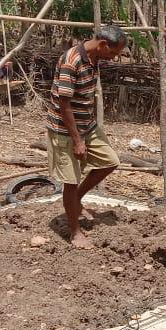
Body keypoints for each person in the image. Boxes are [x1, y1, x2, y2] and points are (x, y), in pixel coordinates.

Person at [45, 25, 127, 248]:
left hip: (87, 126)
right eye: (112, 53)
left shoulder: (94, 59)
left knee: (110, 161)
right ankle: (75, 232)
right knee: (70, 181)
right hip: (65, 130)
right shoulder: (71, 61)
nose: (113, 58)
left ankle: (77, 200)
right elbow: (64, 105)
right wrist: (77, 140)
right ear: (102, 45)